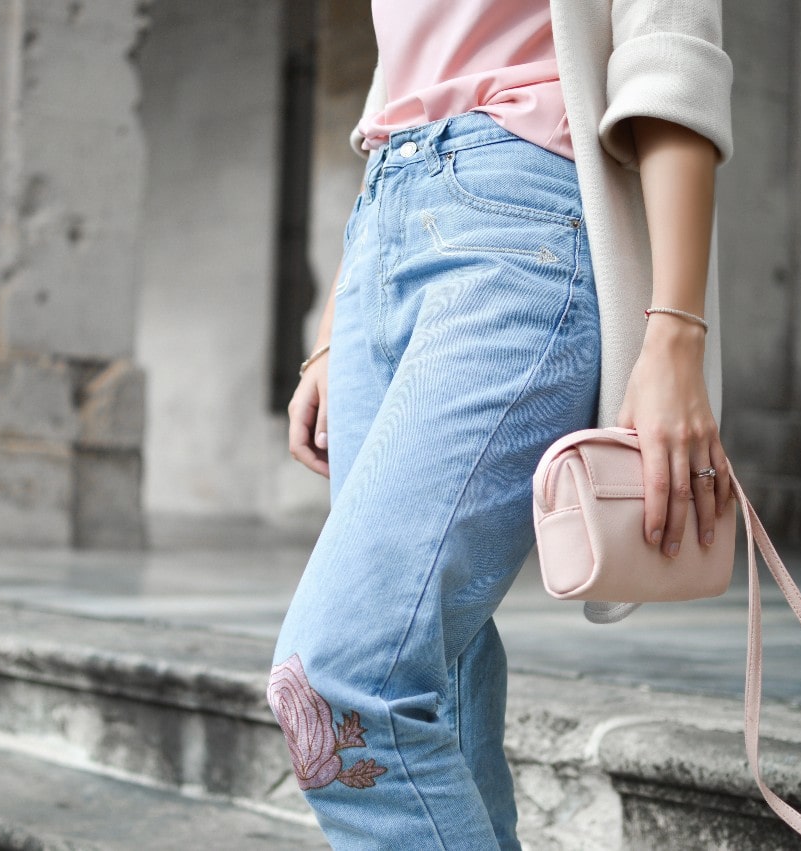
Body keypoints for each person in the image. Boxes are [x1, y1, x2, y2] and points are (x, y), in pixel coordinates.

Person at [267, 1, 734, 847]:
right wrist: (337, 323)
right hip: (383, 224)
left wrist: (675, 332)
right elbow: (403, 81)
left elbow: (669, 54)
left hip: (520, 225)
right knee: (435, 672)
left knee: (337, 681)